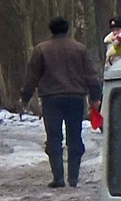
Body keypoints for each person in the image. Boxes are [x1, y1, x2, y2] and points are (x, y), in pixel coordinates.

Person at [20, 16, 100, 188]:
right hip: (76, 97)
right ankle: (74, 177)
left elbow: (32, 76)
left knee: (54, 138)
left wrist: (25, 97)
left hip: (51, 98)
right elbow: (91, 76)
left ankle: (58, 177)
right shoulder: (79, 49)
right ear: (67, 29)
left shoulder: (41, 49)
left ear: (51, 30)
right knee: (75, 137)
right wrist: (96, 96)